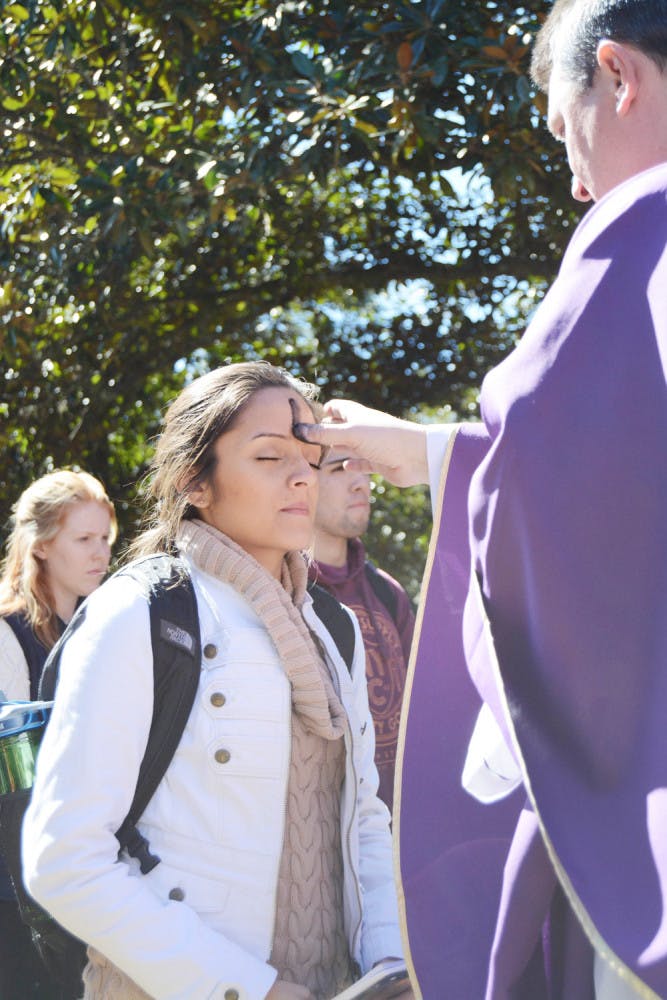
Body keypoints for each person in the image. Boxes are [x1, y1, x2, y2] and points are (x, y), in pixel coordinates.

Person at [293, 1, 667, 997]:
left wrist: (452, 460)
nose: (577, 180)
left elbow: (558, 477)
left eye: (562, 132)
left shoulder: (640, 233)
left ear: (619, 79)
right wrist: (439, 453)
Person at [22, 362, 411, 1000]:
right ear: (194, 481)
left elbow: (365, 821)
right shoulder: (142, 613)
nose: (300, 476)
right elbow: (64, 858)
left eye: (311, 458)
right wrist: (246, 989)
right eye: (268, 456)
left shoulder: (334, 628)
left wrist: (391, 967)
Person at [0, 469, 116, 1000]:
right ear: (43, 545)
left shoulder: (103, 629)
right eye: (84, 539)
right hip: (16, 886)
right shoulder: (8, 632)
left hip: (85, 868)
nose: (100, 554)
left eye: (105, 540)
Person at [309, 450, 415, 814]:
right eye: (339, 469)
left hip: (400, 826)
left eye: (363, 469)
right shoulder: (283, 592)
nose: (361, 483)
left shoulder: (389, 592)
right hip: (324, 832)